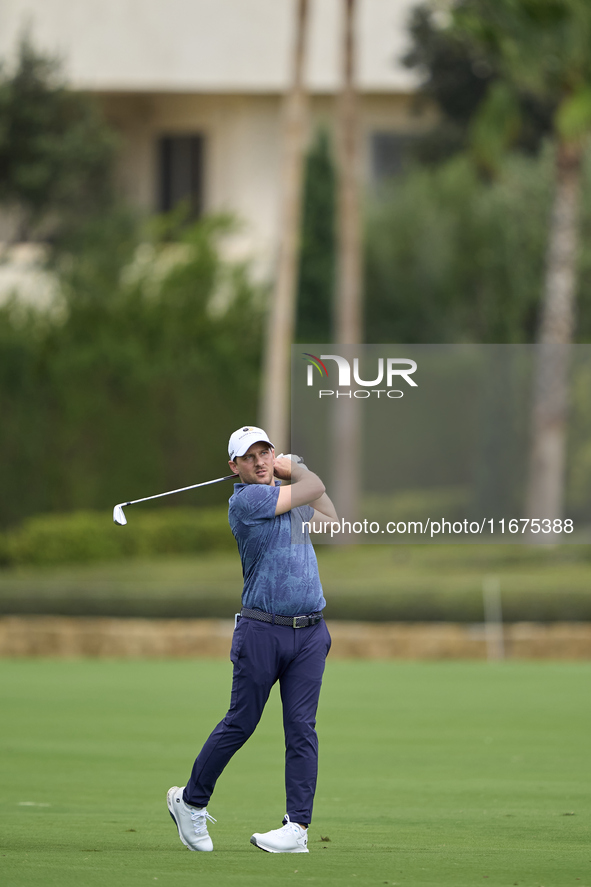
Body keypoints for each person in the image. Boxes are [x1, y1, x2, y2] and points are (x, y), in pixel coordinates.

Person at [167, 425, 337, 854]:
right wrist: (296, 468)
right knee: (241, 722)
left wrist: (294, 473)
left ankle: (297, 828)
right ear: (235, 467)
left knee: (302, 730)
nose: (261, 462)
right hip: (262, 631)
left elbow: (331, 514)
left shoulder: (286, 496)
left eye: (266, 453)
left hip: (311, 633)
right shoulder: (248, 501)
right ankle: (190, 801)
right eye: (250, 457)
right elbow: (314, 484)